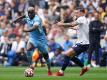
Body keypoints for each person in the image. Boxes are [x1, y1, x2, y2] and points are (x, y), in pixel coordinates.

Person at [12, 7, 52, 76]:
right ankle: (31, 66)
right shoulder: (27, 15)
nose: (30, 14)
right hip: (33, 39)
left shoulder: (37, 19)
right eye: (29, 13)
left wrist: (25, 30)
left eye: (31, 13)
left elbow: (34, 27)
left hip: (41, 40)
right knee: (28, 48)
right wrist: (17, 19)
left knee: (46, 56)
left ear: (34, 13)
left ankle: (49, 70)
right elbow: (24, 16)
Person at [56, 8, 90, 76]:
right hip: (82, 43)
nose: (76, 14)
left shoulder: (82, 18)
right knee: (70, 56)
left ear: (82, 13)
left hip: (82, 43)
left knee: (67, 54)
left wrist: (62, 24)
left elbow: (72, 24)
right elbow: (75, 27)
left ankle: (61, 72)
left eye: (77, 12)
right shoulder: (82, 20)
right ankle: (84, 68)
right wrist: (63, 25)